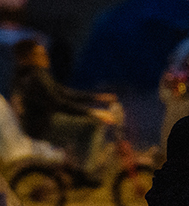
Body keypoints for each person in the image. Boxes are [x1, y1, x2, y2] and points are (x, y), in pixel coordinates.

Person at [11, 40, 119, 176]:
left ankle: (72, 171)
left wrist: (96, 97)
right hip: (43, 125)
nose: (45, 57)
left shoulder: (36, 75)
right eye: (39, 54)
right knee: (92, 125)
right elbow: (59, 103)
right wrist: (92, 112)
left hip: (40, 123)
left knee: (80, 134)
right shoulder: (34, 78)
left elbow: (63, 93)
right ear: (27, 58)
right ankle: (85, 172)